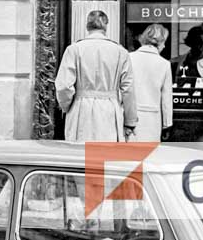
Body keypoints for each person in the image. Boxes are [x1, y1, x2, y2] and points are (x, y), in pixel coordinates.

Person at [55, 10, 137, 142]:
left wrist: (67, 106)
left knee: (81, 156)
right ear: (106, 26)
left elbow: (64, 86)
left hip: (81, 109)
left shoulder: (74, 49)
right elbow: (128, 90)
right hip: (110, 110)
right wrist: (130, 121)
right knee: (106, 157)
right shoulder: (120, 52)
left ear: (87, 26)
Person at [129, 23, 173, 141]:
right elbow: (166, 98)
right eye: (164, 42)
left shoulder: (129, 58)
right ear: (160, 42)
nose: (164, 46)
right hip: (152, 119)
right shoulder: (164, 64)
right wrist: (167, 124)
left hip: (130, 118)